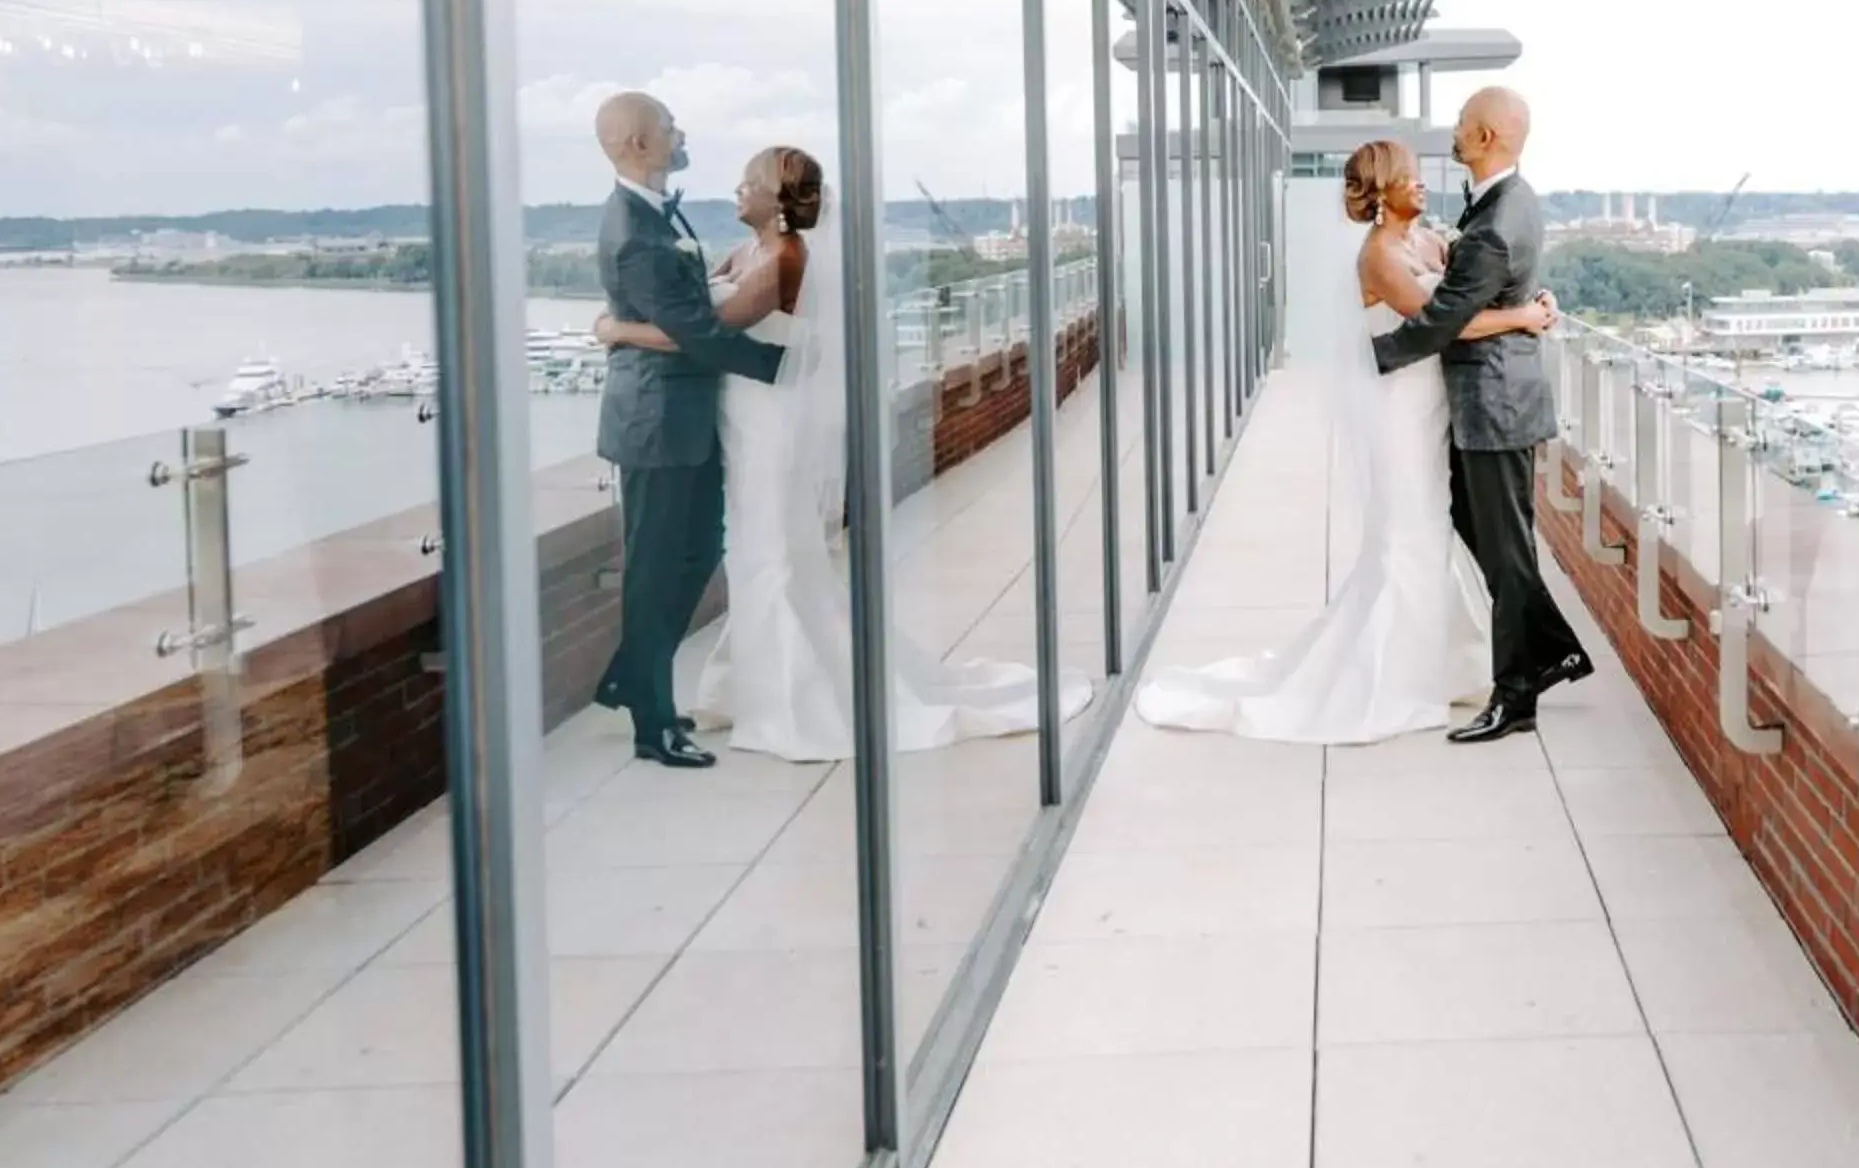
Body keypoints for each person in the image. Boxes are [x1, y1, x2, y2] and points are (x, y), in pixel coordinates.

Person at [597, 143, 1089, 760]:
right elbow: (700, 307)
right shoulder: (750, 252)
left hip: (768, 422)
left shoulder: (783, 261)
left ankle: (794, 702)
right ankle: (754, 688)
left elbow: (710, 332)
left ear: (778, 202)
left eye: (749, 184)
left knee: (772, 552)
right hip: (743, 419)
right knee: (753, 551)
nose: (738, 191)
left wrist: (617, 330)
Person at [1134, 136, 1556, 742]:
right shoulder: (1380, 256)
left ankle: (1439, 664)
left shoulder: (1423, 239)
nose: (1419, 183)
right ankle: (1395, 680)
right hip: (1401, 409)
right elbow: (1444, 323)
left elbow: (1476, 284)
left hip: (1431, 406)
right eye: (1407, 177)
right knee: (1407, 532)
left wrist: (1529, 296)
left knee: (1430, 530)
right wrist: (1523, 320)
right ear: (1382, 192)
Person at [1371, 86, 1594, 744]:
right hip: (1494, 398)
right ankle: (1551, 650)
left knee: (1505, 548)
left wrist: (1369, 356)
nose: (1457, 133)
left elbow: (1444, 320)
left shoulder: (1497, 222)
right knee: (1484, 534)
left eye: (1465, 125)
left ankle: (1517, 695)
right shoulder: (1508, 202)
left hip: (1493, 403)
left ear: (1488, 136)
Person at [589, 93, 784, 771]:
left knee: (699, 552)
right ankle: (652, 722)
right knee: (654, 569)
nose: (681, 133)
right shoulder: (633, 231)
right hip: (655, 423)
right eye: (670, 126)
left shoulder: (657, 214)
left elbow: (690, 306)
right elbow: (693, 332)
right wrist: (778, 365)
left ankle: (630, 676)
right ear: (639, 143)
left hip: (688, 418)